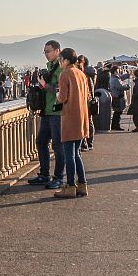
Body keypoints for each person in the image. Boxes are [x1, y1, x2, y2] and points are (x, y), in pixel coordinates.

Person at [28, 40, 66, 188]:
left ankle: (58, 178)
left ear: (57, 51)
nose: (46, 54)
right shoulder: (50, 67)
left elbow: (60, 90)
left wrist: (44, 85)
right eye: (44, 51)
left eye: (48, 51)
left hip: (57, 111)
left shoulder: (61, 68)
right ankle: (44, 174)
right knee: (41, 142)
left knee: (58, 145)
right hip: (47, 110)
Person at [54, 48, 90, 198]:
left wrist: (55, 100)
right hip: (82, 117)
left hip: (70, 117)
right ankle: (82, 185)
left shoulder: (65, 74)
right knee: (76, 154)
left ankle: (70, 186)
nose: (60, 62)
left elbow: (62, 98)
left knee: (69, 154)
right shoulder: (81, 74)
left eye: (61, 59)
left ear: (66, 60)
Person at [78, 54, 96, 151]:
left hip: (84, 102)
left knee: (84, 122)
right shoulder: (90, 75)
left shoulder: (83, 75)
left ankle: (84, 143)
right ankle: (89, 142)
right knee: (89, 122)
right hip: (89, 101)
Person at [109, 66, 130, 131]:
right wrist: (127, 86)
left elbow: (121, 78)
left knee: (117, 112)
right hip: (117, 97)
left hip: (115, 96)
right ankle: (116, 125)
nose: (120, 71)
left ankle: (114, 125)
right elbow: (120, 87)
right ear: (115, 71)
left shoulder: (113, 78)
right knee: (118, 112)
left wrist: (127, 75)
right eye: (118, 70)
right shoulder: (115, 79)